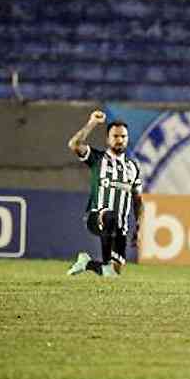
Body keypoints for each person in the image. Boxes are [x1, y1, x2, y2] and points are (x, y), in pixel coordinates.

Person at [66, 110, 143, 277]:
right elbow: (74, 144)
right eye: (115, 136)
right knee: (109, 215)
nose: (120, 140)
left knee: (114, 273)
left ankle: (87, 263)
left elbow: (137, 199)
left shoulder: (133, 168)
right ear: (108, 139)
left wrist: (138, 225)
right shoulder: (97, 158)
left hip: (120, 226)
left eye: (123, 136)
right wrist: (92, 123)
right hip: (96, 216)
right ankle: (106, 261)